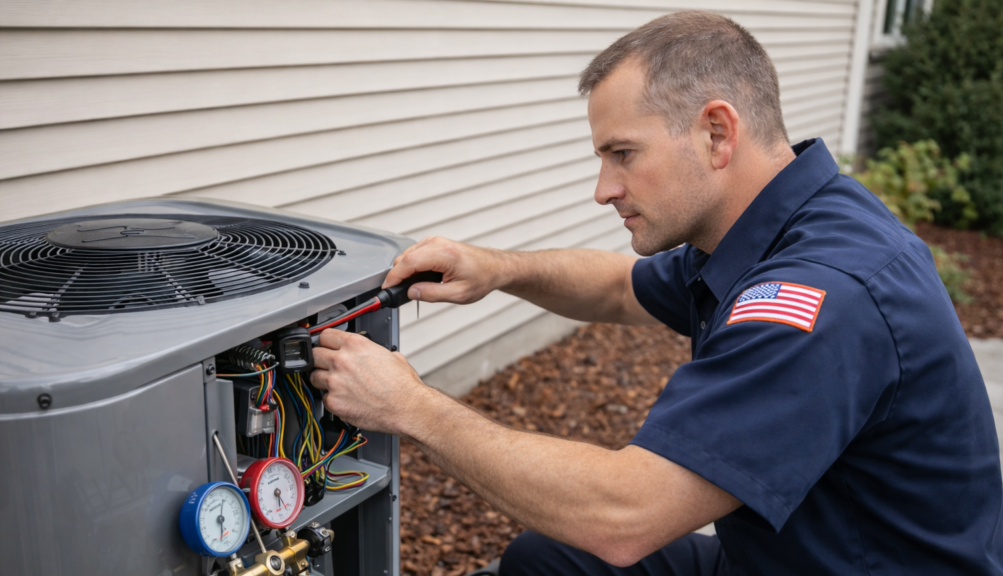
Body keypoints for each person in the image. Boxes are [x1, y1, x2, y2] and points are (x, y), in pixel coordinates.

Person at [310, 11, 1003, 575]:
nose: (604, 188)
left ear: (716, 133)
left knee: (591, 541)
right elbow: (619, 288)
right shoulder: (775, 222)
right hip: (789, 554)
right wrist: (497, 268)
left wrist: (411, 407)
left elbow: (626, 516)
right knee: (543, 560)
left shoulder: (819, 296)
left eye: (623, 153)